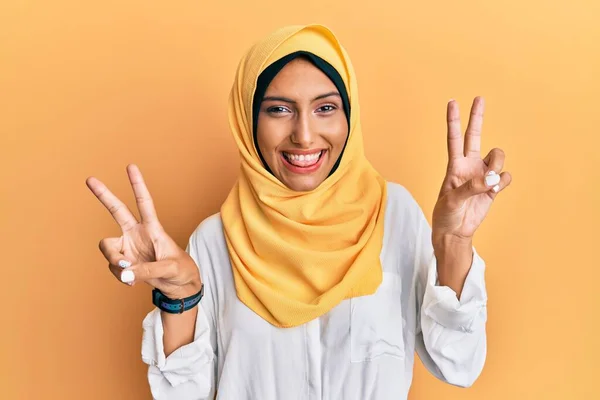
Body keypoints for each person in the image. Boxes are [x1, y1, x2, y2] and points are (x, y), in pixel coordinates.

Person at [86, 24, 512, 400]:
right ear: (248, 120)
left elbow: (458, 364)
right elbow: (184, 397)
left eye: (326, 108)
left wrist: (454, 242)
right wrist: (180, 299)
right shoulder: (215, 242)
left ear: (350, 116)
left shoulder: (394, 215)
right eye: (279, 109)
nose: (304, 136)